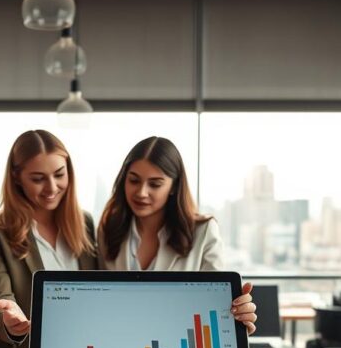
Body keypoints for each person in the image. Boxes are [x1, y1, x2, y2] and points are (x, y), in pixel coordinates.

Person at [98, 136, 258, 335]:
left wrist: (239, 315)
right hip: (122, 345)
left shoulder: (203, 231)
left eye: (155, 184)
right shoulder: (108, 230)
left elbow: (218, 306)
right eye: (134, 180)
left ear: (174, 186)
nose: (141, 192)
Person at [0, 130, 97, 348]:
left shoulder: (85, 223)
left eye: (59, 175)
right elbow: (0, 300)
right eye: (38, 178)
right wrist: (11, 323)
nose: (51, 187)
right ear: (17, 177)